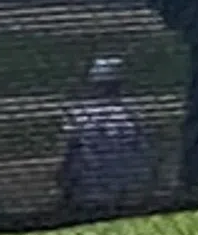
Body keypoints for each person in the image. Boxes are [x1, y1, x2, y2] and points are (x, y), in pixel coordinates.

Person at [58, 54, 154, 214]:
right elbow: (145, 155)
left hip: (87, 190)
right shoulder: (131, 115)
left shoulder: (79, 114)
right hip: (125, 192)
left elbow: (68, 155)